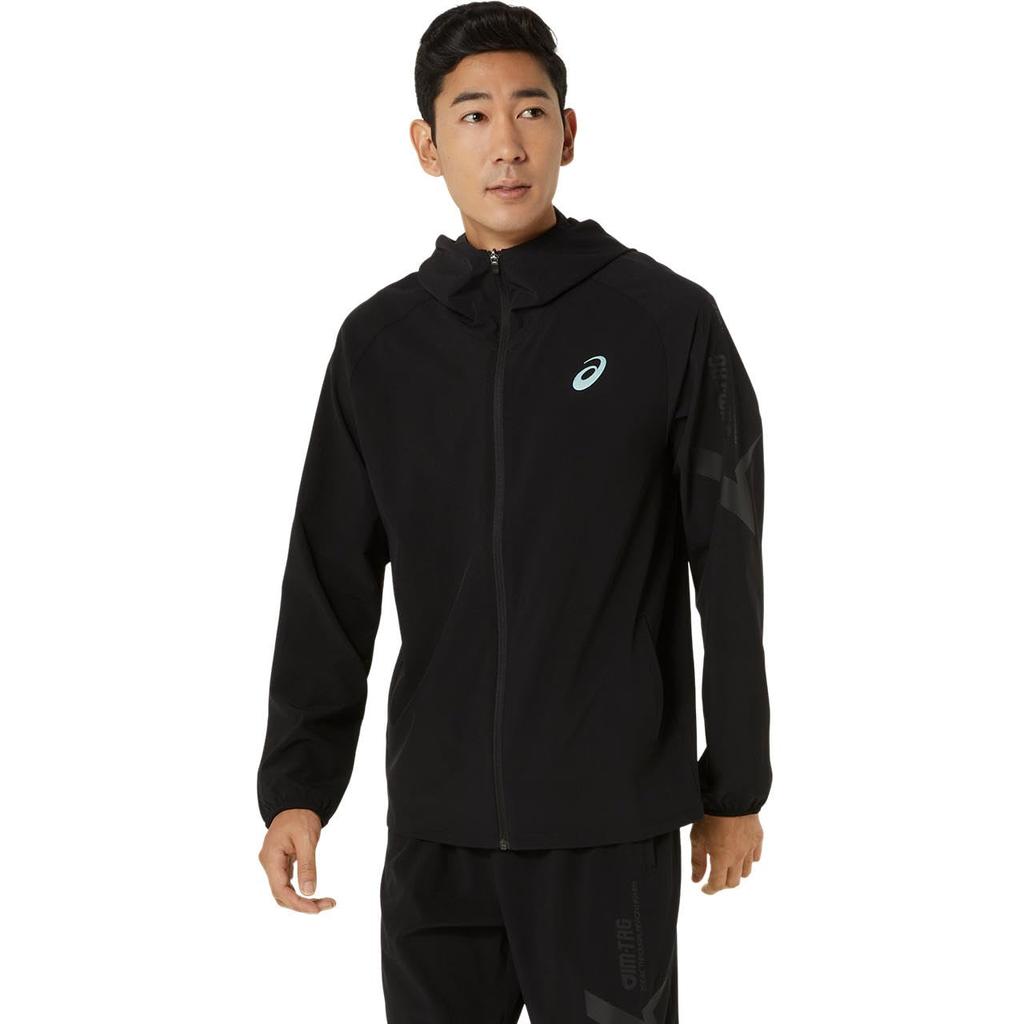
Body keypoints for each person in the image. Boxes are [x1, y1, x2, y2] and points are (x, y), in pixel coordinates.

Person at [256, 3, 772, 1020]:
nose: (506, 143)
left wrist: (736, 785)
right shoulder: (380, 345)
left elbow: (730, 563)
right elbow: (329, 579)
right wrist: (299, 787)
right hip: (435, 835)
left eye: (530, 111)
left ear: (568, 133)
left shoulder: (665, 321)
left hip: (608, 830)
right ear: (427, 146)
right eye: (474, 115)